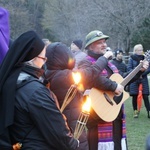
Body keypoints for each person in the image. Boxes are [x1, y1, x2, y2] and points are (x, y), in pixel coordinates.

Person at [0, 31, 79, 150]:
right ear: (32, 58)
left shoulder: (12, 81)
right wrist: (74, 144)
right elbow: (57, 132)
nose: (45, 62)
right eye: (43, 58)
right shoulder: (35, 91)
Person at [78, 30, 149, 150]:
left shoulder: (110, 64)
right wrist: (113, 86)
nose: (104, 45)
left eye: (104, 41)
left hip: (116, 115)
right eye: (99, 42)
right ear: (90, 46)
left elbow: (122, 80)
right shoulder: (85, 63)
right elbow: (91, 78)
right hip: (98, 116)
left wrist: (138, 72)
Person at [44, 42, 114, 150]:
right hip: (71, 129)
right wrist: (104, 58)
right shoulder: (63, 76)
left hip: (66, 126)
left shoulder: (51, 74)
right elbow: (91, 72)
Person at [127, 44, 150, 118]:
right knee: (134, 95)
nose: (141, 51)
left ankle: (148, 111)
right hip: (134, 79)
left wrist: (142, 74)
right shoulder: (131, 59)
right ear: (135, 51)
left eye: (141, 49)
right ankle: (135, 111)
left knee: (145, 95)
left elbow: (148, 68)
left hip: (143, 79)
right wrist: (136, 73)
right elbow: (129, 68)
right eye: (139, 50)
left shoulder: (145, 58)